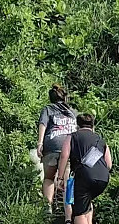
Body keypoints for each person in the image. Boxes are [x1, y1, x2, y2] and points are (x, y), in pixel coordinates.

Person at [57, 113, 112, 224]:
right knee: (86, 203)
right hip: (103, 178)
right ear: (93, 126)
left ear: (78, 125)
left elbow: (64, 156)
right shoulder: (101, 140)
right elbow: (109, 164)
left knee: (79, 212)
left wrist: (60, 178)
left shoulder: (72, 136)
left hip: (84, 177)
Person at [36, 84, 77, 222]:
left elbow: (43, 124)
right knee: (66, 182)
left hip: (51, 146)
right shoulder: (73, 112)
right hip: (68, 148)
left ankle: (48, 208)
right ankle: (68, 216)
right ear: (65, 97)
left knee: (48, 177)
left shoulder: (48, 109)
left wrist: (40, 144)